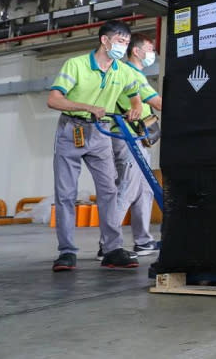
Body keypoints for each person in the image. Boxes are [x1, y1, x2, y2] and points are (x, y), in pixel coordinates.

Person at [47, 20, 143, 271]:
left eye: (126, 42)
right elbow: (54, 99)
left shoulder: (122, 70)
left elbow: (135, 94)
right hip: (72, 129)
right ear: (105, 40)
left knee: (109, 191)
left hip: (101, 134)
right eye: (120, 41)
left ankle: (112, 249)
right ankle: (67, 252)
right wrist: (87, 107)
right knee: (66, 194)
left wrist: (136, 107)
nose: (123, 46)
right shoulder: (76, 65)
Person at [96, 32, 164, 261]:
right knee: (125, 189)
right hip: (127, 139)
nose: (152, 54)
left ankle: (143, 241)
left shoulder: (132, 73)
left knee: (144, 191)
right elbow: (157, 103)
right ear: (136, 51)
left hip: (138, 138)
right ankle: (108, 245)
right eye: (150, 49)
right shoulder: (131, 74)